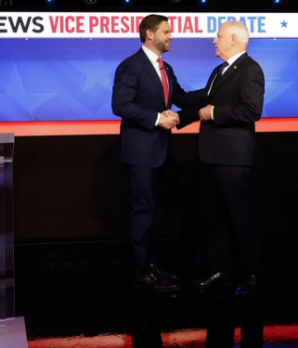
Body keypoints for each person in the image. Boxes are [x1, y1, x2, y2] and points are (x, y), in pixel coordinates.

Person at [111, 14, 205, 292]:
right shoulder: (130, 66)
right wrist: (156, 118)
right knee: (143, 211)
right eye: (167, 31)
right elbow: (121, 105)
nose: (171, 36)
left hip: (161, 153)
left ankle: (150, 265)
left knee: (154, 213)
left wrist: (214, 89)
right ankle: (140, 271)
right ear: (150, 34)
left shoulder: (166, 68)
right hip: (140, 153)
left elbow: (182, 98)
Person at [175, 21, 265, 295]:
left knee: (240, 218)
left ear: (235, 38)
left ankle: (252, 274)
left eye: (219, 36)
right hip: (211, 156)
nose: (214, 41)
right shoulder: (219, 70)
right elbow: (202, 102)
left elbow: (251, 111)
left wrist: (214, 113)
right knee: (213, 218)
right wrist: (177, 115)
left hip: (234, 160)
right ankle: (221, 271)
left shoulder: (251, 69)